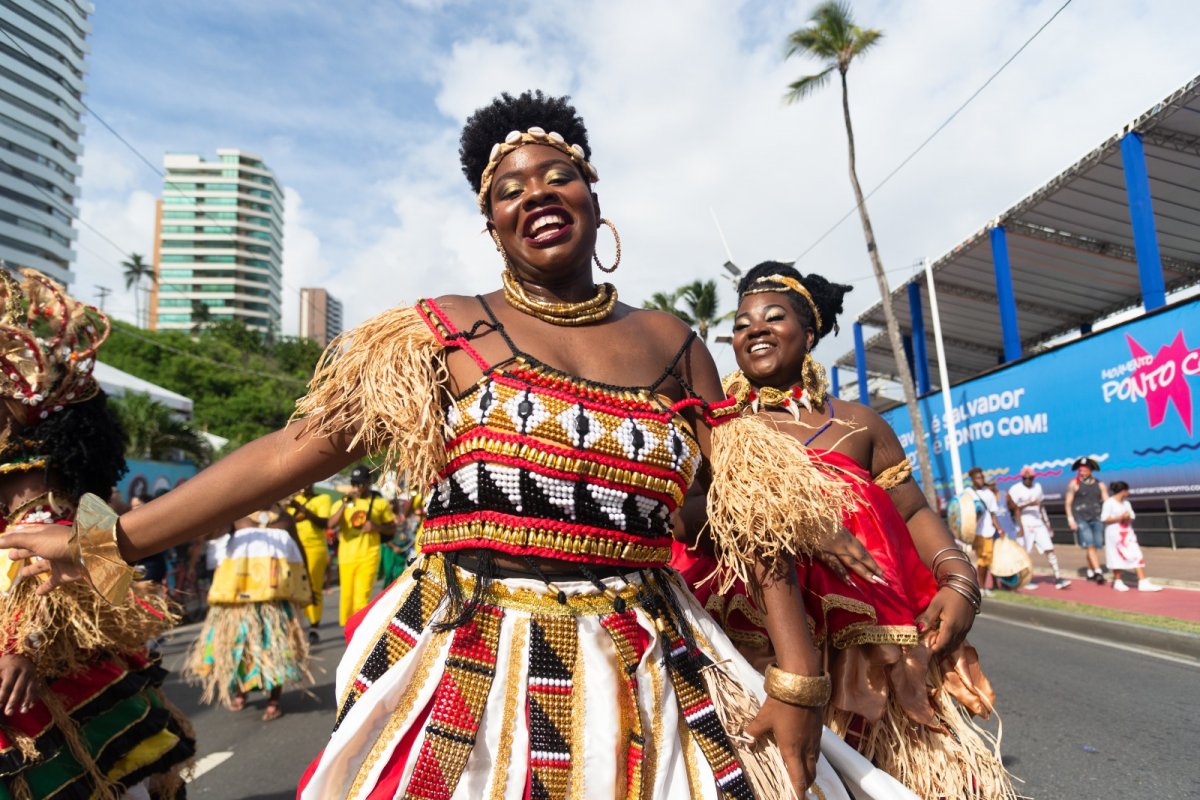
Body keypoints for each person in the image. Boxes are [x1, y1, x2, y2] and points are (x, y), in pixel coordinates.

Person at [0, 91, 916, 799]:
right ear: (492, 224)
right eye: (509, 189)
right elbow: (294, 450)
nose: (536, 196)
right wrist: (108, 540)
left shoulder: (676, 347)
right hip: (472, 665)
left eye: (557, 176)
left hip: (651, 666)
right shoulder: (441, 334)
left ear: (593, 196)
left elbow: (742, 525)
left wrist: (796, 682)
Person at [672, 262, 1012, 799]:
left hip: (867, 647)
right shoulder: (716, 427)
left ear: (808, 334)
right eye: (741, 323)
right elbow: (682, 518)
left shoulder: (860, 425)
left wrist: (958, 578)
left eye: (772, 317)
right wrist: (777, 510)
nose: (753, 329)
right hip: (753, 645)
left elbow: (914, 511)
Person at [0, 269, 194, 799]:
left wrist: (18, 646)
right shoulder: (72, 489)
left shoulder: (30, 478)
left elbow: (36, 577)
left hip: (45, 669)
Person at [184, 503, 312, 720]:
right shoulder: (237, 514)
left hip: (274, 601)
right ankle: (241, 691)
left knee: (276, 650)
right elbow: (210, 535)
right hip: (239, 601)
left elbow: (299, 552)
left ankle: (274, 699)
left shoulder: (286, 520)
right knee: (239, 648)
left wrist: (308, 585)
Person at [329, 465, 396, 626]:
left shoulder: (379, 503)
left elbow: (392, 526)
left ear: (368, 482)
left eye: (360, 483)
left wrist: (377, 527)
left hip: (369, 555)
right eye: (354, 483)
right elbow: (331, 524)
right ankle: (347, 629)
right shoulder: (345, 501)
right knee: (346, 597)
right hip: (346, 556)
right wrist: (345, 502)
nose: (357, 487)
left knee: (361, 597)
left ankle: (357, 630)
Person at [1006, 466, 1070, 589]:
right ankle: (1025, 579)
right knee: (1025, 552)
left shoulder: (1038, 487)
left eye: (1030, 478)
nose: (1028, 480)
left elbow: (1040, 507)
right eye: (1025, 478)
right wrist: (1020, 527)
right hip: (1024, 523)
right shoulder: (1016, 489)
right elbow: (1014, 509)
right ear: (1022, 478)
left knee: (1049, 549)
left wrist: (1047, 524)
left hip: (1038, 523)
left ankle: (1058, 578)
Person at [286, 484, 332, 642]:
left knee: (313, 585)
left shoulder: (322, 499)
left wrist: (301, 509)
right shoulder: (291, 500)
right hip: (293, 548)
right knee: (291, 586)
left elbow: (323, 523)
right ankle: (297, 624)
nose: (304, 486)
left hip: (315, 548)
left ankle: (313, 626)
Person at [1101, 481, 1163, 592]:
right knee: (1116, 556)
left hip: (1128, 534)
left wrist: (1127, 517)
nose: (1128, 493)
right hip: (1115, 535)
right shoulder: (1109, 503)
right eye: (1127, 491)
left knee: (1137, 554)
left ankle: (1143, 582)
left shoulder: (1126, 503)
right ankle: (1118, 581)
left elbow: (1132, 517)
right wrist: (1120, 517)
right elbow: (1104, 518)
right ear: (1123, 491)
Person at [961, 467, 1004, 595]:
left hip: (988, 531)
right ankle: (981, 587)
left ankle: (983, 587)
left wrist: (999, 529)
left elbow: (992, 514)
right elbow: (961, 511)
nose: (981, 480)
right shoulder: (967, 493)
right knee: (983, 559)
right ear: (972, 479)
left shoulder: (989, 493)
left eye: (982, 477)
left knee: (987, 560)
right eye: (978, 478)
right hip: (976, 532)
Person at [1065, 457, 1108, 584]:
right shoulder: (1074, 484)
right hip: (1081, 518)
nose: (1082, 472)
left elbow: (1106, 500)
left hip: (1097, 517)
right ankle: (1098, 571)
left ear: (1091, 470)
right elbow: (1068, 503)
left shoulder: (1100, 484)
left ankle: (1090, 570)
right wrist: (1070, 519)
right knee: (1090, 544)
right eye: (1080, 470)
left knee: (1096, 544)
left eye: (1084, 470)